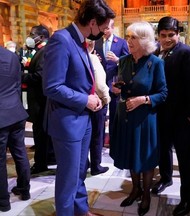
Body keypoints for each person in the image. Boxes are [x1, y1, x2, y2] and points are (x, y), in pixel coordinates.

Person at [42, 0, 115, 215]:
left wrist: (93, 96)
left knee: (79, 172)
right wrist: (85, 99)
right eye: (103, 28)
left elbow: (78, 79)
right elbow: (52, 86)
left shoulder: (80, 40)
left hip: (82, 119)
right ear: (92, 22)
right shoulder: (61, 40)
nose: (103, 32)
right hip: (67, 122)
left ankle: (81, 210)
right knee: (68, 177)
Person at [109, 21, 167, 216]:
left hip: (145, 118)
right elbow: (124, 85)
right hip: (125, 115)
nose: (129, 41)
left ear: (144, 40)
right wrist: (118, 89)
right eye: (128, 36)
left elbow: (163, 93)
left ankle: (147, 195)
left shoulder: (156, 63)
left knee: (145, 159)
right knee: (131, 155)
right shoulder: (124, 60)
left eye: (133, 37)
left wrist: (144, 99)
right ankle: (135, 189)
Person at [151, 16, 190, 216]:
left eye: (171, 35)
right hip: (161, 113)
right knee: (163, 149)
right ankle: (165, 177)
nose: (167, 39)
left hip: (180, 115)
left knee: (185, 158)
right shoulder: (156, 51)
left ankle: (187, 199)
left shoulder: (187, 52)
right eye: (163, 35)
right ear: (158, 35)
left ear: (178, 34)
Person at [0, 46, 30, 212]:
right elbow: (18, 83)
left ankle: (3, 201)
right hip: (16, 111)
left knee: (0, 160)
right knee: (20, 153)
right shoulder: (11, 56)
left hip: (2, 116)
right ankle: (24, 190)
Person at [21, 25, 55, 174]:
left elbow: (40, 76)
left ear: (41, 37)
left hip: (41, 100)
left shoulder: (44, 51)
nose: (29, 36)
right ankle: (48, 157)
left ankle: (40, 163)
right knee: (42, 131)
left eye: (31, 34)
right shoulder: (38, 50)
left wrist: (21, 76)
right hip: (39, 99)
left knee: (40, 132)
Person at [94, 19, 129, 142]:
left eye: (107, 28)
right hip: (100, 85)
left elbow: (128, 63)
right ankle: (100, 141)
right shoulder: (96, 42)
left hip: (114, 85)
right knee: (100, 116)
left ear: (113, 28)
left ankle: (114, 142)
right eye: (103, 28)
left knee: (115, 116)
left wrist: (118, 60)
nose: (104, 31)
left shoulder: (121, 42)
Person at [87, 39, 111, 175]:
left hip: (82, 102)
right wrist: (106, 98)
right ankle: (96, 165)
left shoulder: (76, 56)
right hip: (97, 102)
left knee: (85, 135)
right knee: (97, 134)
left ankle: (85, 163)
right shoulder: (92, 58)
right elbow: (100, 84)